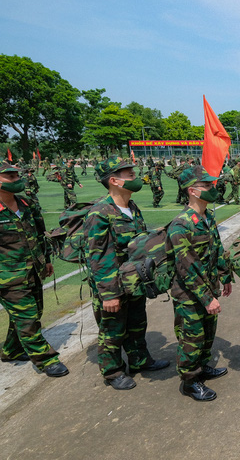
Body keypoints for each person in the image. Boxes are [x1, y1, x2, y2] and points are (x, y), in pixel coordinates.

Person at [83, 156, 170, 390]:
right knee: (113, 329)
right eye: (128, 173)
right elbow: (98, 257)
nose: (135, 175)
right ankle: (112, 371)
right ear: (114, 180)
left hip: (133, 281)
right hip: (112, 284)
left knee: (136, 323)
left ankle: (140, 360)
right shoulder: (99, 213)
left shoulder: (131, 207)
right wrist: (109, 294)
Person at [168, 165, 233, 401]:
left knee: (207, 333)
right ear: (193, 191)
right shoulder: (181, 224)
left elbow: (217, 249)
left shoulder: (208, 216)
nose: (212, 188)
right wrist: (207, 299)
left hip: (209, 287)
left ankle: (202, 366)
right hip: (189, 295)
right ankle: (189, 381)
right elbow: (186, 267)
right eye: (206, 185)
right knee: (191, 338)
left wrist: (225, 276)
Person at [0, 162, 68, 377]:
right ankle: (46, 360)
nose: (16, 179)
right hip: (8, 278)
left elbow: (40, 234)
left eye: (15, 175)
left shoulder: (27, 204)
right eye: (9, 176)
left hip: (33, 271)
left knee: (30, 313)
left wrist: (46, 260)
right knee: (28, 318)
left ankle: (11, 350)